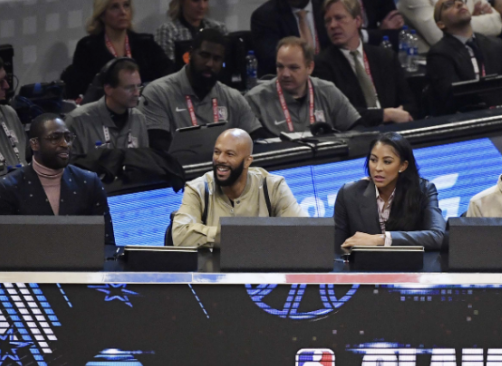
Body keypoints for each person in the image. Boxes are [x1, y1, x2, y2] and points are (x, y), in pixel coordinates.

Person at [0, 113, 115, 245]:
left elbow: (106, 243)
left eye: (68, 138)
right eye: (55, 138)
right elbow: (2, 248)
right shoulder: (7, 187)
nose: (65, 144)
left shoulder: (89, 182)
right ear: (34, 144)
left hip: (82, 258)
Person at [170, 128, 305, 247]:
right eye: (217, 152)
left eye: (230, 154)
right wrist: (235, 235)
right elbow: (180, 235)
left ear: (247, 161)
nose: (220, 159)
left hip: (263, 267)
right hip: (214, 268)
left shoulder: (272, 186)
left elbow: (303, 231)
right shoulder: (197, 189)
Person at [142, 29, 263, 152]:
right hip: (178, 164)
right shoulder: (158, 93)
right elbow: (158, 148)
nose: (210, 64)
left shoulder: (233, 97)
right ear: (190, 54)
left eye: (217, 59)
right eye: (204, 55)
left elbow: (258, 139)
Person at [333, 132, 446, 252]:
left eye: (387, 162)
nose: (378, 168)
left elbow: (437, 236)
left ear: (403, 165)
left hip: (409, 263)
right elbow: (336, 250)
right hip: (363, 263)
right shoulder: (349, 194)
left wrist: (382, 240)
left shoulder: (424, 190)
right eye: (373, 160)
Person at [313, 0, 417, 126]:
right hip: (357, 133)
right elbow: (339, 113)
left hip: (393, 129)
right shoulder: (322, 65)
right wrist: (385, 115)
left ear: (357, 21)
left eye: (339, 18)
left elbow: (409, 104)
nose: (332, 25)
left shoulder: (385, 56)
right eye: (328, 21)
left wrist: (400, 114)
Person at [246, 37, 363, 136]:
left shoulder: (328, 91)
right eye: (280, 67)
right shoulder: (256, 99)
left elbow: (357, 129)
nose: (285, 74)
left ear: (310, 67)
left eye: (293, 68)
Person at [61, 0, 173, 100]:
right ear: (102, 15)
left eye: (126, 5)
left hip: (143, 109)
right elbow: (78, 90)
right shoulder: (88, 47)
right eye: (115, 7)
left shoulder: (145, 43)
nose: (123, 12)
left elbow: (168, 75)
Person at [426, 0, 502, 115]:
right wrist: (499, 89)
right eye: (449, 5)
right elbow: (452, 99)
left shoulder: (495, 45)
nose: (459, 4)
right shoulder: (439, 54)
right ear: (441, 24)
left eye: (461, 1)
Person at [66, 58, 149, 158]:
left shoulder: (139, 118)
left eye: (138, 86)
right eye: (129, 88)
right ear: (108, 89)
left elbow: (144, 161)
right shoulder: (78, 120)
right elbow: (66, 164)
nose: (136, 93)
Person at [251, 0, 332, 76]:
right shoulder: (265, 15)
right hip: (288, 79)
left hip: (329, 76)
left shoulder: (328, 7)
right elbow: (272, 60)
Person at [398, 0, 502, 46]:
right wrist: (471, 17)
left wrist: (456, 21)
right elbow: (438, 35)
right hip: (432, 64)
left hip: (477, 54)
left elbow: (497, 23)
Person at [154, 0, 228, 61]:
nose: (202, 6)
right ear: (182, 2)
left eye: (205, 0)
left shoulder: (218, 28)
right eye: (195, 1)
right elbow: (166, 68)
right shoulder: (168, 30)